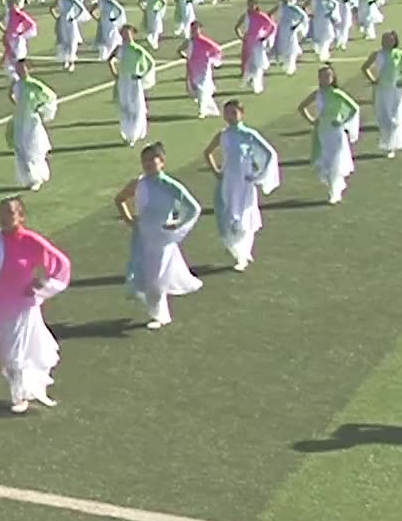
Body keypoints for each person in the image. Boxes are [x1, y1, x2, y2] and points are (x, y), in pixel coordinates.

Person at [0, 196, 70, 413]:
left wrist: (43, 283)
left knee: (17, 352)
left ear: (21, 216)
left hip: (23, 306)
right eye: (1, 213)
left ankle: (19, 395)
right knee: (6, 351)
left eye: (10, 213)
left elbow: (60, 264)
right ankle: (21, 388)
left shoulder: (32, 241)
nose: (4, 218)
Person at [115, 142, 204, 331]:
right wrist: (130, 221)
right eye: (144, 160)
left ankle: (159, 315)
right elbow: (120, 199)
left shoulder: (170, 185)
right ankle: (159, 313)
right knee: (145, 276)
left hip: (163, 239)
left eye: (152, 160)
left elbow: (194, 208)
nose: (147, 164)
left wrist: (177, 224)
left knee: (156, 278)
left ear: (162, 162)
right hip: (143, 238)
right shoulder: (139, 183)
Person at [202, 100, 280, 272]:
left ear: (241, 114)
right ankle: (236, 250)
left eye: (234, 112)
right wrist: (216, 171)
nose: (230, 116)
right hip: (228, 183)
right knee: (228, 217)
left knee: (244, 218)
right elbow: (207, 152)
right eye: (227, 112)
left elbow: (269, 154)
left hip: (244, 184)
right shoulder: (223, 135)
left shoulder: (249, 134)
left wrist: (257, 175)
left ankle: (243, 255)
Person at [297, 65, 361, 205]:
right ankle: (333, 187)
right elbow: (302, 107)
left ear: (333, 78)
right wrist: (312, 121)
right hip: (322, 132)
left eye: (327, 76)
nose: (324, 79)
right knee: (325, 161)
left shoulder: (337, 93)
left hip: (335, 133)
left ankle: (334, 191)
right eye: (322, 76)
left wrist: (342, 121)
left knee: (335, 162)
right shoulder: (317, 94)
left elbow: (354, 108)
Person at [361, 30, 402, 159]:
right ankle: (387, 144)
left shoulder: (400, 54)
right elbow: (365, 67)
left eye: (389, 40)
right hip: (381, 91)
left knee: (395, 118)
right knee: (384, 118)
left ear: (394, 41)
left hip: (395, 91)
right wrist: (373, 80)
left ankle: (392, 146)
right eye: (385, 39)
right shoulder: (377, 54)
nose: (386, 42)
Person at [7, 59, 58, 191]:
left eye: (23, 68)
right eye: (18, 68)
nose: (20, 71)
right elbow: (12, 96)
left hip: (32, 122)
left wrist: (40, 108)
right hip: (19, 120)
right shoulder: (17, 85)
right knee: (20, 149)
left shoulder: (34, 84)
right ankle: (28, 177)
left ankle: (37, 177)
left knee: (32, 148)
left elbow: (50, 96)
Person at [108, 25, 156, 147]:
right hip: (123, 81)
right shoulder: (120, 49)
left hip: (134, 81)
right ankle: (126, 133)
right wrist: (115, 74)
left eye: (128, 33)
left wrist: (142, 75)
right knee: (125, 108)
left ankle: (133, 135)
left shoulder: (137, 49)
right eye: (123, 33)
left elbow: (151, 63)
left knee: (136, 108)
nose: (125, 36)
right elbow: (110, 60)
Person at [179, 22, 223, 118]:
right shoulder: (189, 41)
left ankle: (201, 110)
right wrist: (186, 57)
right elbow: (180, 50)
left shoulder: (204, 41)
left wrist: (211, 59)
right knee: (194, 89)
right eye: (192, 29)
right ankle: (206, 108)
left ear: (200, 29)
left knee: (202, 88)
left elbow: (217, 49)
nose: (194, 31)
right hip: (192, 68)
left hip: (203, 68)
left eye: (196, 29)